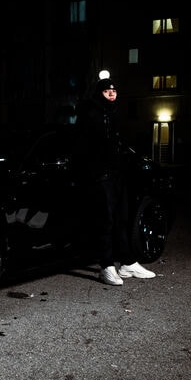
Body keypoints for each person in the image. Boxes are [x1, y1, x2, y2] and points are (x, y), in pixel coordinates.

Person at [75, 76, 156, 286]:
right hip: (101, 175)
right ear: (99, 93)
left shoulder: (114, 112)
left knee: (122, 218)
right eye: (106, 91)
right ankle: (106, 266)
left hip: (117, 173)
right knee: (106, 220)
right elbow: (84, 145)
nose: (111, 94)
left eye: (114, 90)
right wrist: (95, 170)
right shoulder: (91, 113)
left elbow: (121, 142)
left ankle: (127, 262)